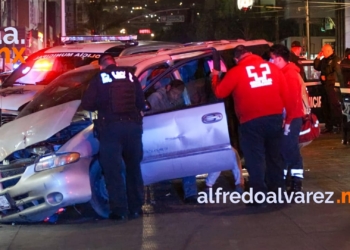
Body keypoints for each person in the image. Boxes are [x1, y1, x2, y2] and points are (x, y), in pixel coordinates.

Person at [211, 45, 291, 202]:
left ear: (236, 59)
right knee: (274, 158)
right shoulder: (273, 68)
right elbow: (286, 94)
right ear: (252, 54)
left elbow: (220, 92)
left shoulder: (236, 71)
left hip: (250, 122)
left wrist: (215, 77)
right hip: (274, 119)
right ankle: (278, 193)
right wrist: (286, 119)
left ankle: (259, 196)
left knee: (255, 160)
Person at [81, 53, 146, 221]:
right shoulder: (130, 76)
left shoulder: (99, 78)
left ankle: (120, 211)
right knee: (134, 169)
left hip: (110, 130)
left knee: (113, 171)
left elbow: (87, 104)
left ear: (101, 65)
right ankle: (137, 208)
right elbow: (141, 103)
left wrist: (102, 106)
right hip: (133, 128)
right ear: (115, 64)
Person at [146, 79, 198, 203]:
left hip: (172, 136)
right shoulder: (156, 98)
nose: (176, 97)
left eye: (178, 94)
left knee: (187, 160)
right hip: (157, 138)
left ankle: (190, 194)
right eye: (174, 93)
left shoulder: (179, 100)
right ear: (168, 88)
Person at [270, 44, 307, 192]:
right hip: (289, 118)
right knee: (286, 150)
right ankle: (288, 181)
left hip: (291, 119)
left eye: (272, 59)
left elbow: (291, 102)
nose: (270, 62)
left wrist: (288, 122)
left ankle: (295, 183)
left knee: (288, 150)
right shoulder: (286, 73)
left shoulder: (289, 75)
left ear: (279, 59)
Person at [314, 44, 344, 134]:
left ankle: (339, 125)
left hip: (332, 86)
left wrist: (326, 76)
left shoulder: (336, 60)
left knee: (334, 106)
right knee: (325, 106)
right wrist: (318, 57)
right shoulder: (324, 60)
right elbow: (317, 67)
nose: (322, 52)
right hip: (325, 86)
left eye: (322, 51)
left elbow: (337, 74)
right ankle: (329, 126)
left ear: (328, 51)